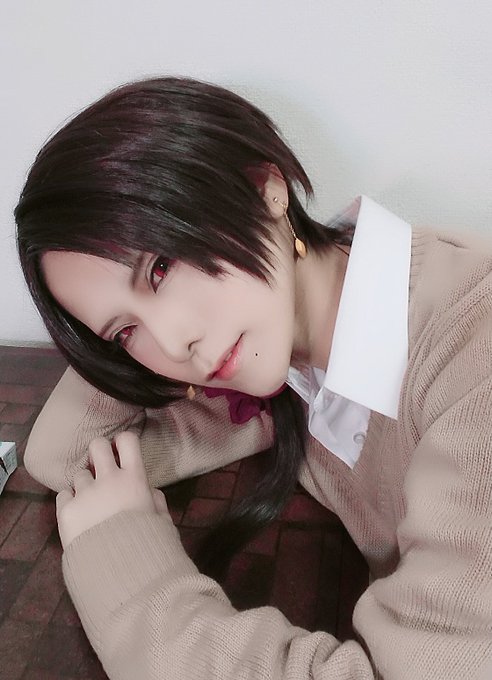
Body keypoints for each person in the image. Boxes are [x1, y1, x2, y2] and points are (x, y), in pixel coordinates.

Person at [16, 77, 492, 680]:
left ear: (266, 188)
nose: (174, 343)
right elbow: (64, 456)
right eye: (125, 331)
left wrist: (128, 576)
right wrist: (101, 337)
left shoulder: (474, 355)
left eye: (160, 267)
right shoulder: (283, 350)